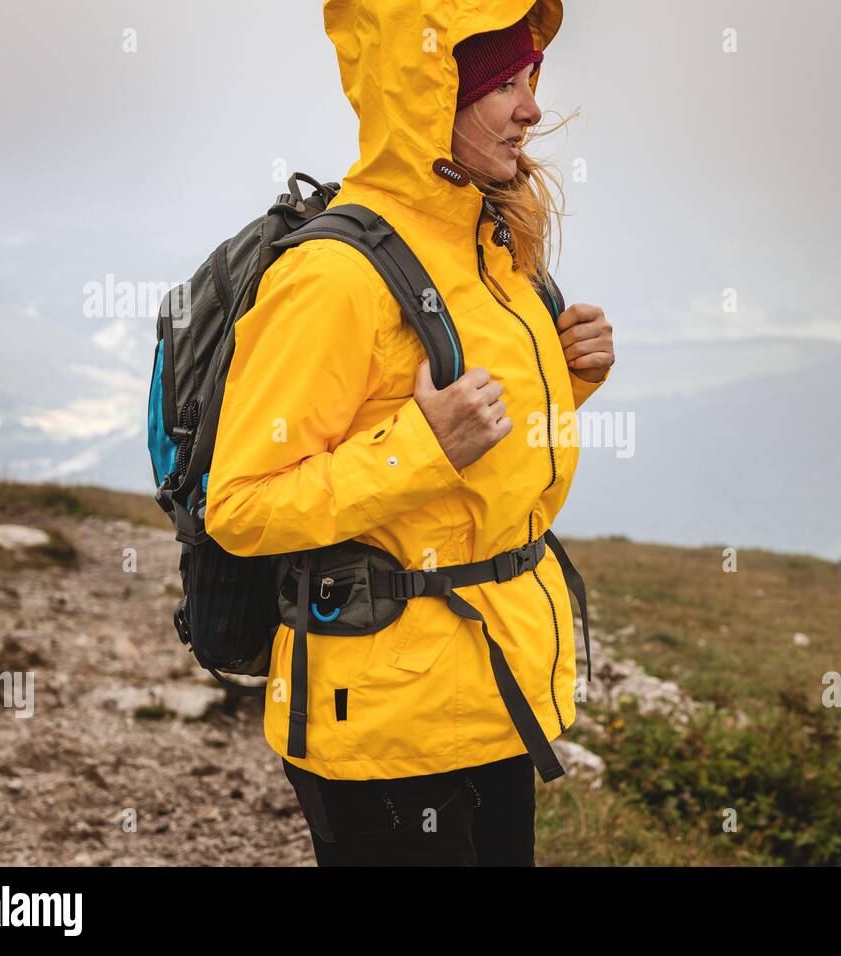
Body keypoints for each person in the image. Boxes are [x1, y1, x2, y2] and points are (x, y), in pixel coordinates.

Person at [203, 0, 614, 866]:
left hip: (492, 685)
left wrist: (569, 380)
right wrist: (421, 450)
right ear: (433, 96)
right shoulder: (333, 278)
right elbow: (240, 507)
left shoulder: (492, 245)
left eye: (530, 79)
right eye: (504, 83)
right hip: (383, 723)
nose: (532, 108)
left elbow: (481, 469)